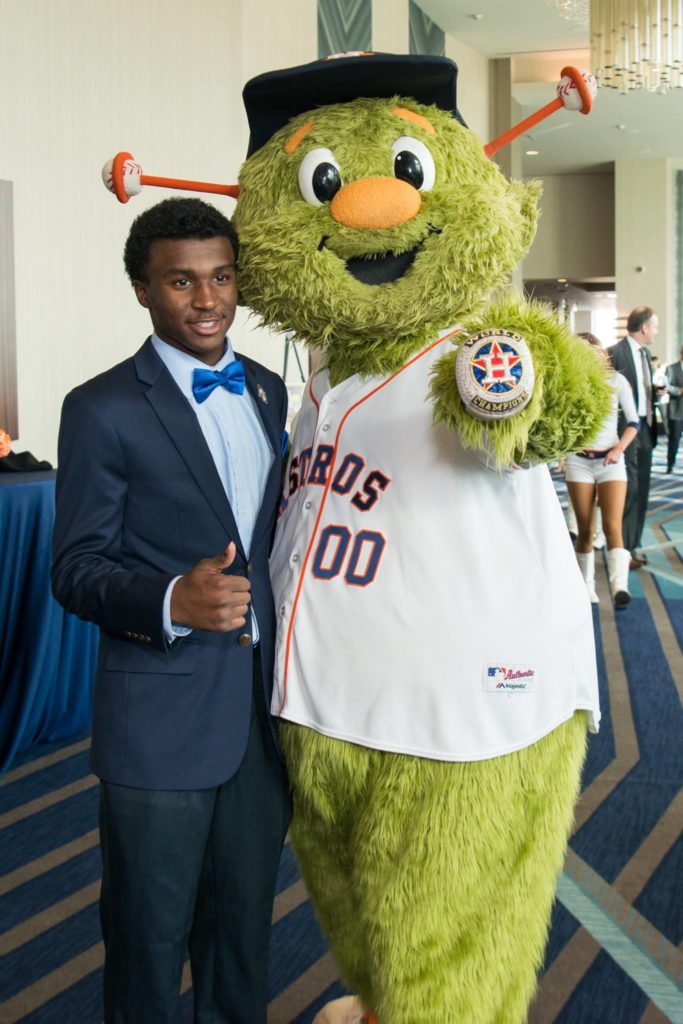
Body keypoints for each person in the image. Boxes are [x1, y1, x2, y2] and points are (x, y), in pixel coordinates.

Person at [51, 197, 290, 1023]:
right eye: (181, 281)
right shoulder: (102, 406)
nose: (208, 299)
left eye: (221, 277)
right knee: (148, 946)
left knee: (241, 941)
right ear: (142, 291)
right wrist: (169, 600)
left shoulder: (266, 390)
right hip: (157, 722)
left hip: (261, 717)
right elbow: (75, 570)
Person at [564, 332, 639, 608]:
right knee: (585, 530)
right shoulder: (570, 383)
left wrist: (619, 448)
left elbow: (634, 422)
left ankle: (619, 585)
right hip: (579, 462)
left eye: (596, 350)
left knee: (612, 526)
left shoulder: (617, 381)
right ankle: (586, 587)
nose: (594, 356)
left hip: (611, 460)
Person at [608, 307, 664, 566]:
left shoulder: (645, 353)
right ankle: (623, 549)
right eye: (655, 326)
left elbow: (641, 392)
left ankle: (634, 544)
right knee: (628, 489)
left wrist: (654, 393)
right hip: (625, 433)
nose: (656, 331)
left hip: (646, 430)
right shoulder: (615, 353)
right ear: (644, 328)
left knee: (642, 489)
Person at [665, 345, 683, 472]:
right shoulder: (671, 368)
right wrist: (679, 390)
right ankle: (670, 464)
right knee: (674, 439)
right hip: (676, 411)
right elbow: (666, 386)